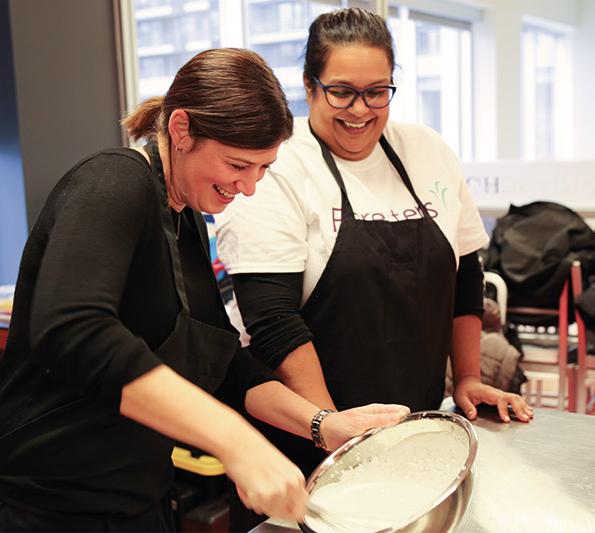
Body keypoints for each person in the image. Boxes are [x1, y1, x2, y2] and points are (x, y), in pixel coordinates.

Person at [0, 48, 410, 532]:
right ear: (181, 129)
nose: (249, 187)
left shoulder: (188, 222)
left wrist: (322, 425)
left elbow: (226, 366)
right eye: (237, 164)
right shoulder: (112, 180)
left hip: (134, 505)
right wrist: (236, 441)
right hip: (33, 512)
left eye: (263, 168)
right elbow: (72, 329)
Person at [215, 7, 534, 503]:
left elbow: (465, 274)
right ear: (308, 85)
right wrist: (334, 432)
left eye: (377, 92)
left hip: (416, 432)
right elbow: (272, 320)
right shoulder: (278, 164)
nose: (360, 110)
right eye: (341, 91)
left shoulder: (427, 150)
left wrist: (468, 377)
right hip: (307, 440)